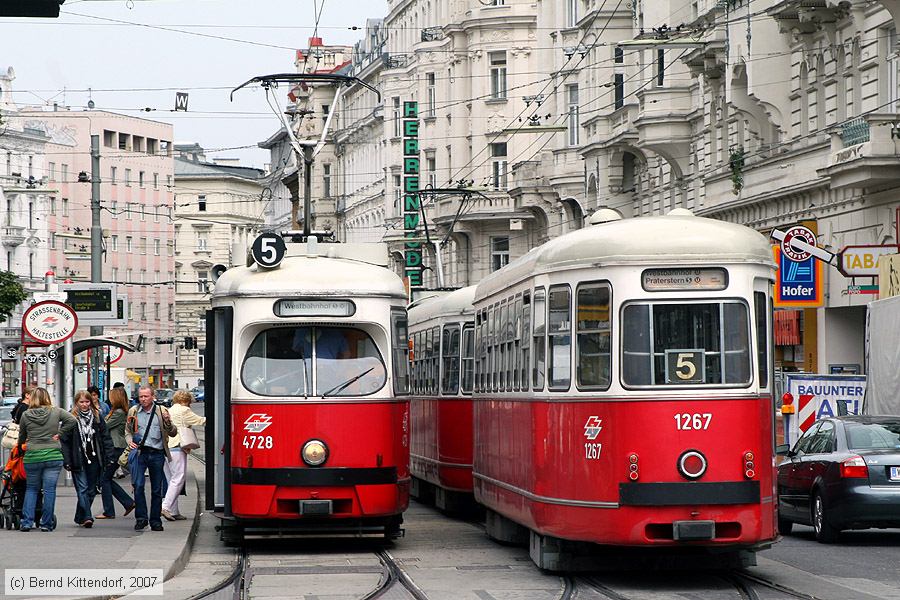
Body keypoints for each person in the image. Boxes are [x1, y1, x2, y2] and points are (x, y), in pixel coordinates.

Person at [16, 387, 77, 532]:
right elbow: (72, 420)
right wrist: (59, 434)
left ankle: (27, 522)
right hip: (53, 456)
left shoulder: (26, 415)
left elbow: (22, 436)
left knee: (31, 489)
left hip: (33, 456)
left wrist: (20, 447)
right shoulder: (56, 411)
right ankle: (46, 523)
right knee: (49, 490)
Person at [125, 386, 176, 531]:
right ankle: (141, 518)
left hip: (157, 453)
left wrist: (167, 422)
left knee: (156, 489)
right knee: (138, 485)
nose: (143, 399)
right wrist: (130, 442)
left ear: (152, 397)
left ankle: (155, 520)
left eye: (146, 396)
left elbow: (173, 432)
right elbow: (127, 431)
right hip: (140, 453)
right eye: (141, 396)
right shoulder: (133, 411)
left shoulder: (161, 411)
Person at [63, 390, 116, 528]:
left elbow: (106, 438)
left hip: (94, 458)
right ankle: (87, 516)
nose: (85, 405)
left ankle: (79, 516)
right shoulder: (70, 418)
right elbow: (65, 441)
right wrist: (67, 460)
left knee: (92, 490)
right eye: (81, 402)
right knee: (82, 488)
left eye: (87, 402)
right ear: (76, 403)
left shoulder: (97, 417)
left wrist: (110, 457)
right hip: (78, 458)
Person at [161, 390, 205, 521]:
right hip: (177, 447)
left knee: (171, 480)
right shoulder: (184, 411)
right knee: (178, 478)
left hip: (166, 448)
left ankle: (174, 511)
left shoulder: (170, 410)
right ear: (187, 400)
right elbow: (200, 421)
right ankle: (166, 507)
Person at [97, 387, 135, 519]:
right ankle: (127, 503)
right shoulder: (120, 411)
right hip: (115, 447)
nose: (109, 400)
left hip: (115, 448)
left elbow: (104, 426)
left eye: (111, 397)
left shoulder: (119, 413)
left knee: (104, 479)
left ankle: (109, 511)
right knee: (105, 479)